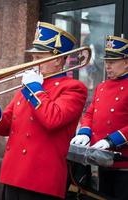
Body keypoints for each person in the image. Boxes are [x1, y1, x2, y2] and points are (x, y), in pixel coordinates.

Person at [0, 21, 88, 200]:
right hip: (13, 174)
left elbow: (52, 119)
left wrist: (35, 89)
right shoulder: (30, 86)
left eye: (40, 58)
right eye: (33, 58)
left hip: (41, 179)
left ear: (58, 59)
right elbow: (5, 127)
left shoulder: (73, 88)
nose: (34, 63)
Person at [70, 35, 128, 200]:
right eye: (106, 62)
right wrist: (85, 132)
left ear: (126, 62)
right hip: (102, 161)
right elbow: (89, 114)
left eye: (113, 62)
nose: (107, 66)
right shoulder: (101, 87)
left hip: (124, 164)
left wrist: (112, 140)